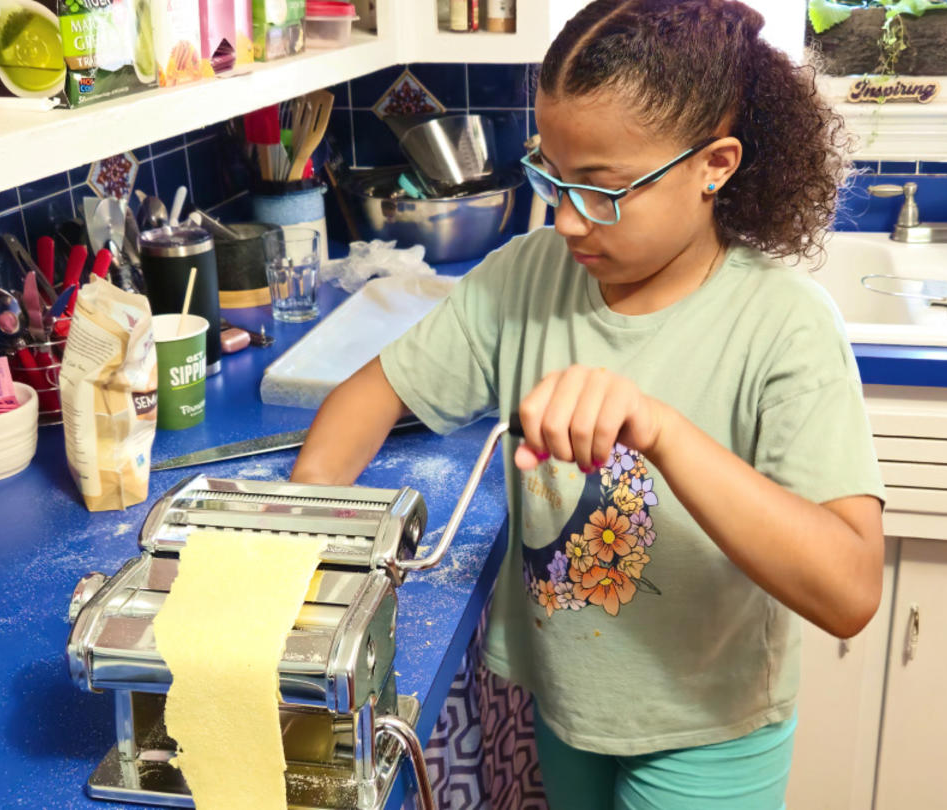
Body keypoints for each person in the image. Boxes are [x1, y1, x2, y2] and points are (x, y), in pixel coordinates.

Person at [291, 1, 886, 806]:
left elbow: (849, 590)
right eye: (552, 175)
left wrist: (664, 433)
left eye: (603, 191)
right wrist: (299, 550)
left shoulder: (784, 324)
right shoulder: (526, 276)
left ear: (715, 165)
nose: (567, 220)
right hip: (568, 709)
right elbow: (371, 394)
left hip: (707, 730)